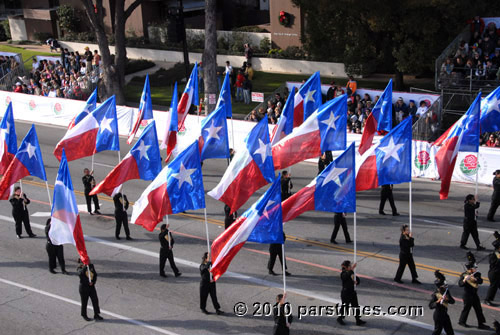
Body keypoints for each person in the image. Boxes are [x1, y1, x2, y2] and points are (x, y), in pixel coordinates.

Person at [458, 259, 489, 329]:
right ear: (470, 269)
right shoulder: (464, 275)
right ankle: (462, 321)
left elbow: (480, 281)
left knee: (478, 309)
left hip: (474, 294)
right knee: (466, 308)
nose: (475, 269)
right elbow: (460, 284)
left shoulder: (477, 274)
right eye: (474, 268)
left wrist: (475, 279)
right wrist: (464, 279)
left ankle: (481, 324)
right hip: (467, 295)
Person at [337, 260, 365, 326]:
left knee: (355, 306)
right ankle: (340, 318)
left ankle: (358, 320)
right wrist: (352, 269)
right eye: (349, 265)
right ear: (346, 267)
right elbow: (346, 276)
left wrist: (357, 282)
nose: (351, 266)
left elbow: (356, 279)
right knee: (345, 307)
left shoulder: (351, 272)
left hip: (352, 292)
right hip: (346, 293)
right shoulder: (343, 273)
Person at [429, 270, 455, 335]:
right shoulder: (436, 294)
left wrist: (448, 299)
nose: (445, 286)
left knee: (450, 331)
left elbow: (453, 301)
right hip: (438, 315)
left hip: (445, 314)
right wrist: (437, 302)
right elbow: (430, 305)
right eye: (443, 285)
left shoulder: (446, 292)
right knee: (437, 331)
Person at [485, 237, 500, 306]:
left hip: (498, 273)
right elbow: (493, 263)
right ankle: (487, 300)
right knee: (493, 287)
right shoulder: (493, 255)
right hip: (494, 273)